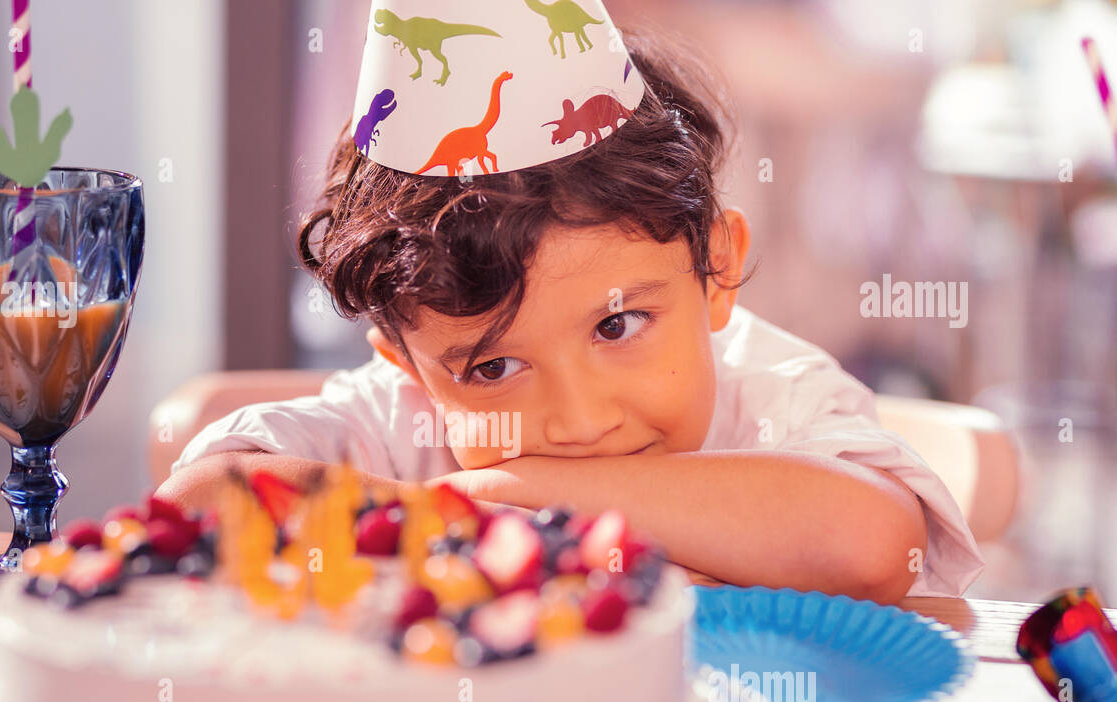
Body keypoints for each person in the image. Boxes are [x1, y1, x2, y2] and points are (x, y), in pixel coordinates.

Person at [159, 17, 983, 603]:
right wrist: (453, 509)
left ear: (718, 269)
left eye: (618, 326)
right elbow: (198, 498)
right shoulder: (400, 427)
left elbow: (875, 546)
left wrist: (508, 494)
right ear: (406, 366)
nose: (578, 419)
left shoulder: (774, 395)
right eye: (493, 367)